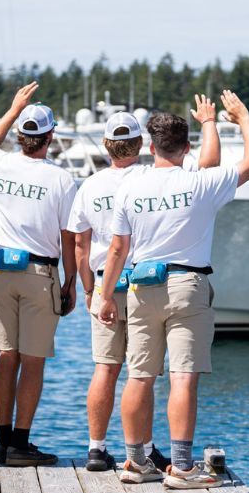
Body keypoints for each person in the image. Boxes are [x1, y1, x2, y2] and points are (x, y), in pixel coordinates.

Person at [98, 91, 249, 489]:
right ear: (185, 147)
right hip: (187, 286)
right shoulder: (199, 183)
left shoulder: (130, 188)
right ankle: (183, 467)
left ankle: (136, 462)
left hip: (140, 285)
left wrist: (105, 297)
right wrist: (237, 117)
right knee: (183, 377)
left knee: (138, 376)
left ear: (150, 146)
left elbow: (117, 249)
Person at [68, 97, 222, 473]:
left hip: (107, 280)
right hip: (145, 280)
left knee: (108, 368)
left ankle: (96, 447)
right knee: (149, 373)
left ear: (105, 145)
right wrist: (210, 123)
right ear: (141, 145)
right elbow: (203, 169)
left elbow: (79, 244)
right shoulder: (148, 178)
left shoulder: (89, 186)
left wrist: (89, 289)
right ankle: (145, 450)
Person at [0, 82, 78, 467]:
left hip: (2, 269)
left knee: (7, 355)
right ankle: (21, 442)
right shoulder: (62, 179)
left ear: (21, 136)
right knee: (33, 360)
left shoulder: (0, 165)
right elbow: (69, 238)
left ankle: (2, 442)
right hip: (41, 272)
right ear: (50, 137)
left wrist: (13, 108)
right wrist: (70, 284)